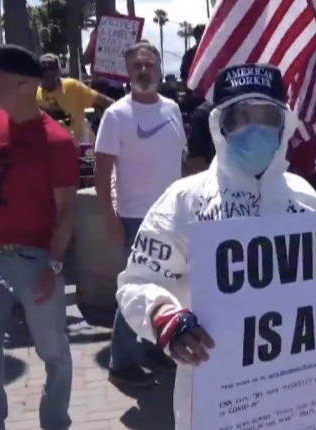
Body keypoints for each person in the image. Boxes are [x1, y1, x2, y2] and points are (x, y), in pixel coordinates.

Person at [114, 63, 316, 430]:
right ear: (221, 125)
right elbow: (137, 282)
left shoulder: (305, 199)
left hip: (297, 395)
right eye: (241, 117)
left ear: (283, 124)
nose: (255, 129)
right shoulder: (184, 200)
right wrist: (165, 318)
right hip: (214, 393)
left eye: (266, 116)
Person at [0, 44, 77, 430]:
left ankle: (55, 421)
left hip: (35, 262)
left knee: (53, 350)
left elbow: (66, 213)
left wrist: (53, 266)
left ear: (25, 83)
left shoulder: (57, 141)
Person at [94, 41, 186, 387]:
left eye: (150, 65)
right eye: (138, 66)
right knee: (134, 289)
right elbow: (102, 173)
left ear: (160, 70)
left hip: (172, 218)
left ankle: (152, 351)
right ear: (128, 72)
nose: (144, 71)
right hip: (134, 219)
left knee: (168, 286)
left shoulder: (173, 109)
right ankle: (122, 363)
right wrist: (110, 219)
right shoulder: (116, 115)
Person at [36, 53, 114, 144]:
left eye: (51, 75)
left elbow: (106, 103)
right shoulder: (33, 94)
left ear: (59, 72)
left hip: (75, 148)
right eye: (44, 74)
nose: (47, 78)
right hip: (48, 147)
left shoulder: (73, 87)